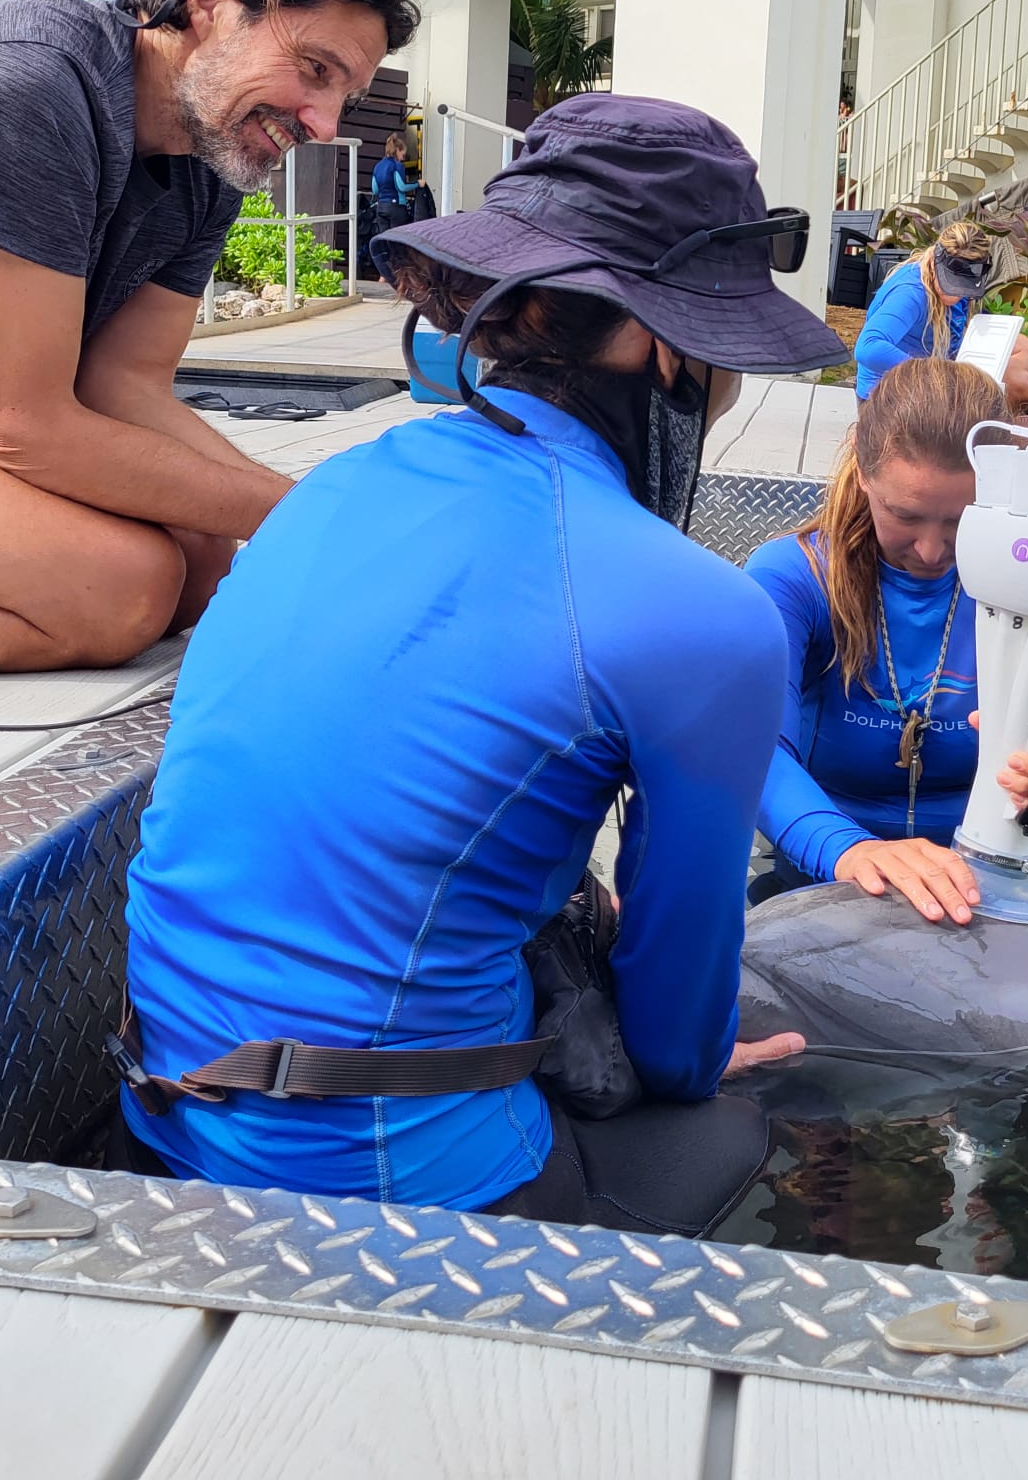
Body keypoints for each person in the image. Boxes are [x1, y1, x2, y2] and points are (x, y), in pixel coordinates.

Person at [118, 93, 849, 1235]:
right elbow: (675, 1037)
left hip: (164, 1095)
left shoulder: (332, 493)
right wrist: (683, 1052)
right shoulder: (708, 612)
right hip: (381, 1179)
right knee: (734, 1127)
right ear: (666, 345)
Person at [0, 0, 417, 672]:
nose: (322, 124)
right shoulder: (27, 87)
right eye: (315, 70)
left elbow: (126, 385)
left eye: (344, 97)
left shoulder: (210, 162)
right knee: (119, 586)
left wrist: (301, 503)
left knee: (201, 566)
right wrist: (313, 516)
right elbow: (20, 424)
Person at [744, 357, 1028, 922]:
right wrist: (853, 851)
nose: (930, 550)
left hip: (991, 883)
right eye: (904, 515)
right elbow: (752, 753)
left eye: (961, 520)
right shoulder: (793, 579)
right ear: (865, 471)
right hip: (827, 874)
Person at [855, 220, 1028, 414]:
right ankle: (983, 424)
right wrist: (934, 373)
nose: (956, 294)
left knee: (1024, 348)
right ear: (935, 261)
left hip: (937, 367)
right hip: (884, 399)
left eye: (964, 286)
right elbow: (867, 348)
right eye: (950, 283)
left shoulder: (958, 274)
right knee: (1020, 386)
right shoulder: (910, 293)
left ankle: (990, 412)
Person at [371, 133, 416, 233]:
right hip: (396, 207)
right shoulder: (397, 165)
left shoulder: (377, 166)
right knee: (397, 240)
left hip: (381, 207)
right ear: (397, 150)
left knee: (384, 239)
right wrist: (417, 184)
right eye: (402, 154)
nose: (402, 158)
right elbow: (402, 187)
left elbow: (375, 190)